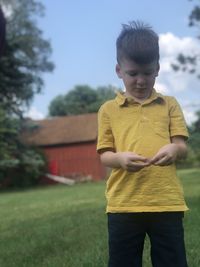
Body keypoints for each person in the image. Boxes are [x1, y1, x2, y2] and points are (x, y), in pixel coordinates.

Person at [97, 21, 189, 267]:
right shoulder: (108, 110)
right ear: (119, 70)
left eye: (147, 73)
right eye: (132, 73)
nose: (140, 80)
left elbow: (181, 145)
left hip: (166, 201)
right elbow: (105, 155)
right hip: (123, 204)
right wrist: (120, 159)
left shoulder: (169, 104)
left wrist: (173, 149)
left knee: (172, 261)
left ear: (157, 68)